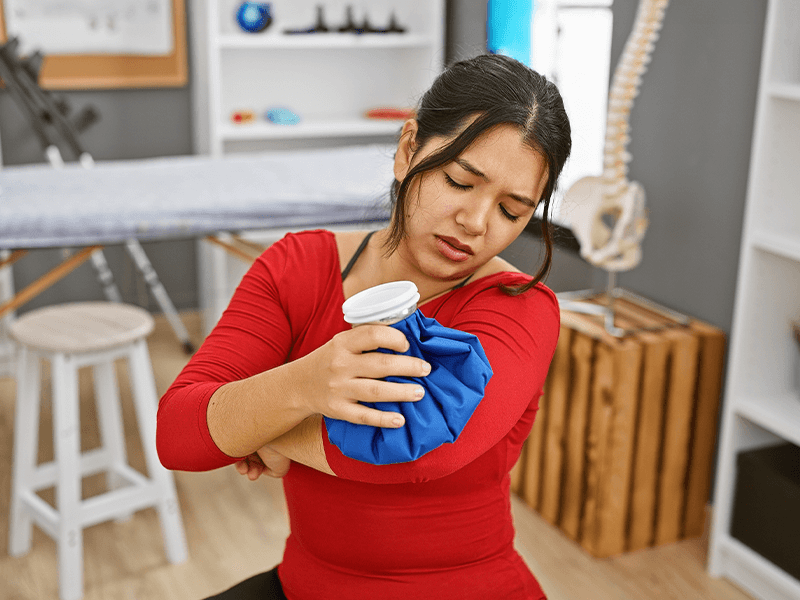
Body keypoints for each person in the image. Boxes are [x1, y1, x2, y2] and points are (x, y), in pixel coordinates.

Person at [156, 53, 571, 600]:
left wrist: (261, 425)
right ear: (407, 150)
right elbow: (178, 434)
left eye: (512, 211)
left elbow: (421, 450)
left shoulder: (519, 306)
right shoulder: (296, 268)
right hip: (309, 585)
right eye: (458, 181)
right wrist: (305, 384)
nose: (475, 223)